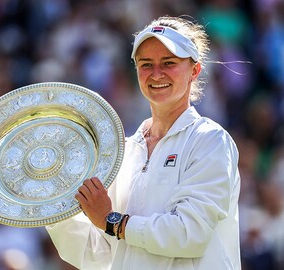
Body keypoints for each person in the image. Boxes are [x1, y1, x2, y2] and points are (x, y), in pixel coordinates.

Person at [46, 15, 241, 270]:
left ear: (194, 70)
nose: (156, 73)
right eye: (146, 64)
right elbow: (99, 255)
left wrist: (111, 220)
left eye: (169, 63)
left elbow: (189, 234)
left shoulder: (210, 140)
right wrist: (51, 204)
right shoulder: (123, 152)